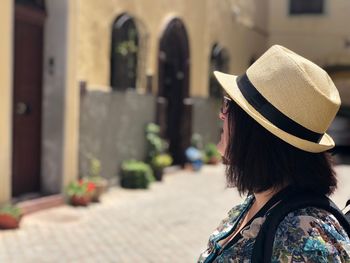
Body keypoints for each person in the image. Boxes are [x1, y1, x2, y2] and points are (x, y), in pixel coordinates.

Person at [198, 45, 350, 262]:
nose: (222, 115)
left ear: (257, 134)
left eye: (229, 106)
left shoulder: (303, 243)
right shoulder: (257, 203)